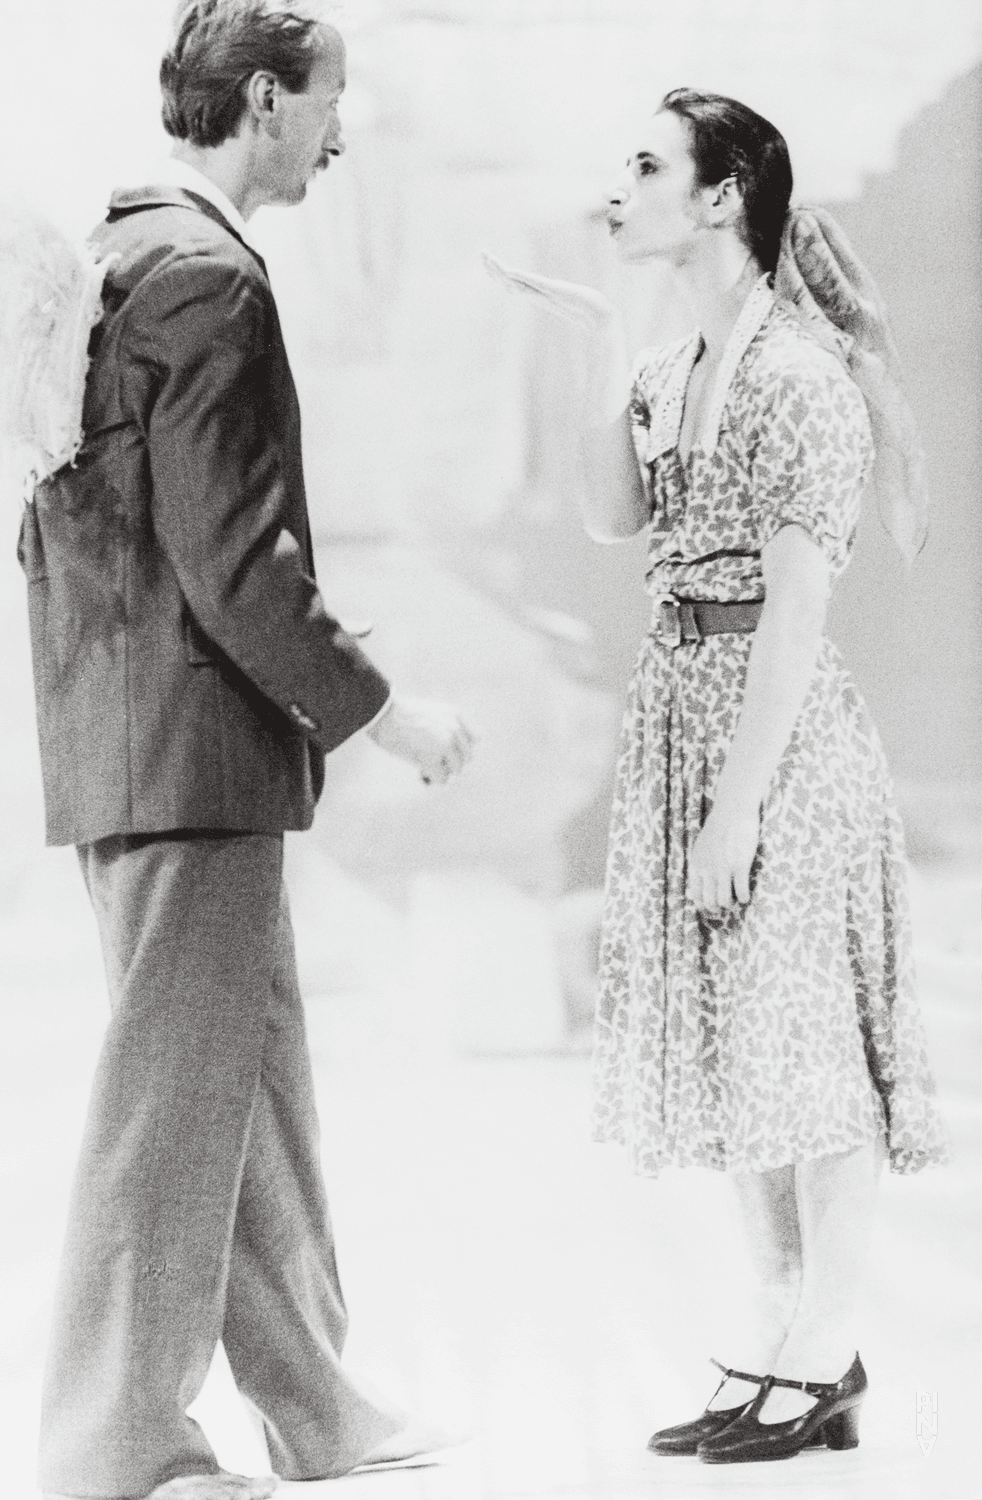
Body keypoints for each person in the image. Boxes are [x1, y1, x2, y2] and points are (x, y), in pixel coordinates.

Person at [18, 5, 475, 1497]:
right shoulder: (205, 277)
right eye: (331, 106)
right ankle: (118, 1448)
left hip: (140, 746)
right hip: (186, 757)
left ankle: (317, 1408)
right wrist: (389, 712)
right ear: (266, 103)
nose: (342, 137)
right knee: (173, 1102)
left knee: (247, 1088)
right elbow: (238, 564)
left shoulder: (119, 255)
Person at [485, 88, 947, 1464]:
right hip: (682, 715)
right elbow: (608, 514)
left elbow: (799, 614)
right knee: (740, 1043)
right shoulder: (669, 365)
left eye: (644, 167)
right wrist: (588, 342)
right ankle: (776, 1328)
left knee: (809, 1046)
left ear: (720, 197)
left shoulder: (798, 378)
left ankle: (827, 1337)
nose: (615, 188)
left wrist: (738, 803)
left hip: (776, 730)